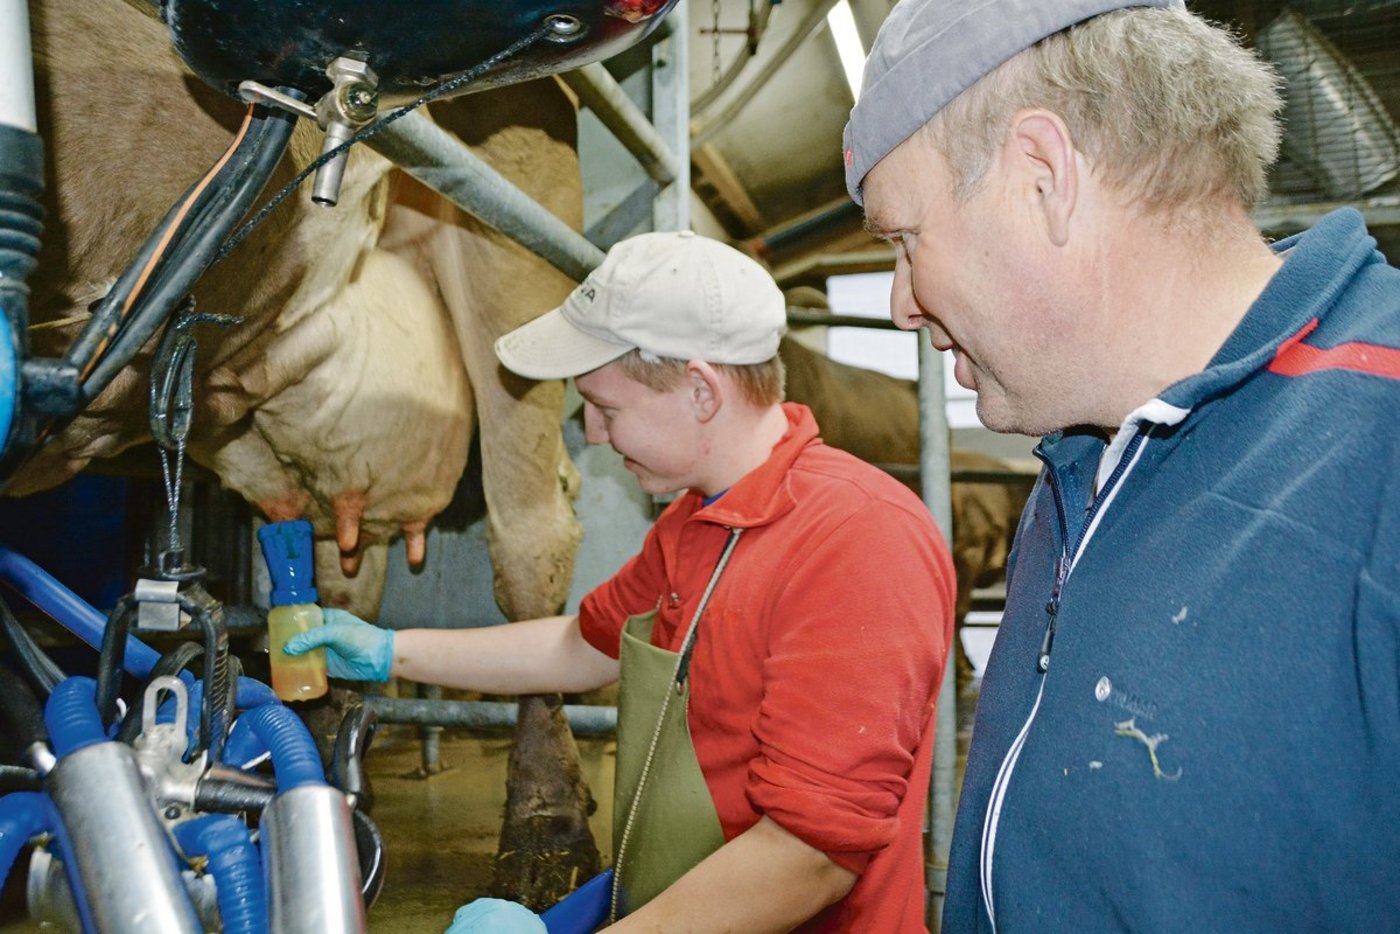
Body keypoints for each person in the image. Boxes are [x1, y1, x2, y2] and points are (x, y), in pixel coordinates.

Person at [842, 0, 1400, 930]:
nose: (901, 304)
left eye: (904, 241)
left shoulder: (1381, 450)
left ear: (1042, 177)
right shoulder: (1084, 464)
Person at [287, 230, 956, 932]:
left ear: (701, 391)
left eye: (607, 409)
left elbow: (810, 856)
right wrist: (391, 651)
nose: (597, 434)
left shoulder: (856, 539)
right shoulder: (693, 522)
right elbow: (582, 646)